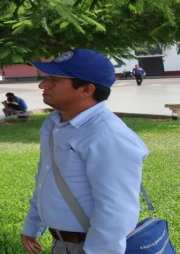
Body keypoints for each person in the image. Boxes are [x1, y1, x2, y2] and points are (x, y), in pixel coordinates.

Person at [20, 49, 149, 254]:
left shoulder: (107, 135)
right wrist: (32, 225)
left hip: (91, 246)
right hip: (62, 244)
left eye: (54, 80)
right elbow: (45, 177)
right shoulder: (54, 123)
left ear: (86, 90)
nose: (42, 84)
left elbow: (116, 210)